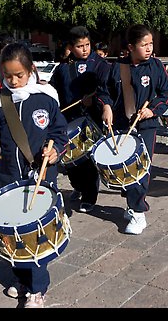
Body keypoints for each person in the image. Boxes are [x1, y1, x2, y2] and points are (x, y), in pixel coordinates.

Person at [0, 42, 68, 308]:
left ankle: (37, 289)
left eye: (19, 75)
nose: (13, 81)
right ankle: (21, 278)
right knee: (13, 229)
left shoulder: (46, 97)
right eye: (8, 76)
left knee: (35, 231)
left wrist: (55, 151)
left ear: (31, 71)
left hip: (41, 175)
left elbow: (59, 133)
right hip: (10, 176)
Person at [99, 24, 168, 234]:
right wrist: (106, 106)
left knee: (141, 168)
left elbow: (165, 93)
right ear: (131, 47)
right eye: (144, 45)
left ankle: (138, 211)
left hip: (146, 126)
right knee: (123, 168)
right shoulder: (117, 67)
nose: (149, 48)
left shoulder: (156, 66)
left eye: (150, 44)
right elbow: (105, 92)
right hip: (123, 124)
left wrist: (153, 111)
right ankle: (131, 203)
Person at [49, 25, 110, 213]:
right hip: (68, 119)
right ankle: (78, 186)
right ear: (70, 47)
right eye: (80, 46)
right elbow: (54, 91)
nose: (84, 49)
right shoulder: (63, 68)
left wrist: (96, 100)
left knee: (88, 161)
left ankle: (90, 196)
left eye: (87, 45)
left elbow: (107, 90)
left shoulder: (100, 64)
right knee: (70, 162)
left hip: (90, 121)